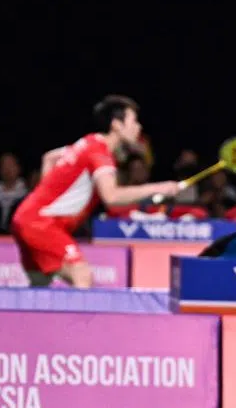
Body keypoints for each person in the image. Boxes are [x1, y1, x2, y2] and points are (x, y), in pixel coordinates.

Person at [10, 95, 180, 288]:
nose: (138, 127)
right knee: (82, 276)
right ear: (116, 124)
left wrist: (45, 196)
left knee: (38, 287)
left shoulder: (87, 142)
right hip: (42, 224)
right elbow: (111, 197)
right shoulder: (100, 153)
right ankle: (82, 321)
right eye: (134, 121)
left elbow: (48, 158)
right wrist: (159, 188)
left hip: (26, 218)